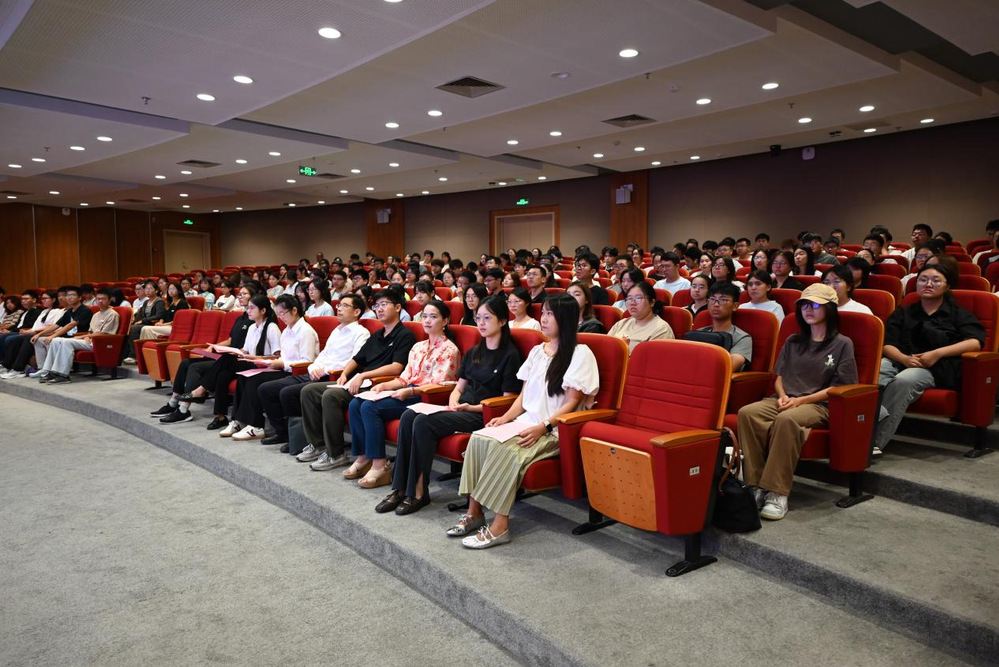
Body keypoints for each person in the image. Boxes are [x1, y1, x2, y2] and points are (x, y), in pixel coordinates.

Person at [448, 293, 599, 549]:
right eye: (544, 313)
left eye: (551, 314)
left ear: (566, 319)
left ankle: (500, 526)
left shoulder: (580, 354)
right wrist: (505, 418)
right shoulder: (538, 351)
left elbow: (572, 403)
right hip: (526, 421)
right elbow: (523, 396)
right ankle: (474, 512)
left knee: (507, 451)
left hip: (553, 429)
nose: (544, 319)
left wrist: (544, 427)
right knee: (480, 438)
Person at [376, 295, 524, 515]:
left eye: (487, 318)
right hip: (460, 409)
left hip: (481, 414)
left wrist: (469, 408)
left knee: (423, 423)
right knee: (408, 416)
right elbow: (458, 387)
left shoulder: (510, 355)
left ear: (502, 321)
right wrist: (454, 400)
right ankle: (400, 489)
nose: (481, 323)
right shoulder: (475, 351)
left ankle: (419, 492)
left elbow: (506, 401)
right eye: (478, 318)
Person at [737, 283, 858, 520]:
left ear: (830, 309)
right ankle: (755, 484)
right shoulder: (793, 340)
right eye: (804, 305)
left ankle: (777, 492)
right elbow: (779, 377)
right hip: (784, 398)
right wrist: (783, 395)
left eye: (815, 305)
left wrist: (801, 401)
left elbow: (840, 387)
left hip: (817, 405)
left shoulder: (843, 343)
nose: (808, 310)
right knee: (747, 413)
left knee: (787, 419)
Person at [345, 300, 460, 489]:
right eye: (425, 316)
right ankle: (363, 456)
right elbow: (405, 377)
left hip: (426, 396)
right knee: (356, 403)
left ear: (445, 321)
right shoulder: (418, 347)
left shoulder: (450, 349)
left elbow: (439, 386)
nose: (427, 320)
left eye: (433, 317)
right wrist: (385, 386)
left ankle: (380, 465)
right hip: (408, 390)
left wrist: (410, 391)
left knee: (369, 408)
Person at [298, 289, 417, 470]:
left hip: (379, 385)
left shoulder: (405, 335)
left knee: (330, 396)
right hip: (361, 382)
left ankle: (336, 454)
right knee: (309, 391)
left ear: (398, 307)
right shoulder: (377, 335)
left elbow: (397, 367)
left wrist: (362, 375)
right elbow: (357, 359)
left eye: (384, 304)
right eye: (377, 306)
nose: (379, 309)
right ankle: (318, 445)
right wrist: (345, 374)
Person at [873, 264, 985, 454]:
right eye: (923, 280)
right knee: (877, 372)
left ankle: (872, 442)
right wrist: (903, 358)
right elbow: (887, 344)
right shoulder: (904, 311)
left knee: (905, 380)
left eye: (936, 280)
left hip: (936, 367)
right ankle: (857, 425)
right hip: (902, 360)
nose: (928, 284)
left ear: (947, 286)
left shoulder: (958, 313)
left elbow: (974, 342)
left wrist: (937, 353)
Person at [259, 294, 371, 451]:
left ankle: (301, 440)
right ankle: (287, 434)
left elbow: (354, 360)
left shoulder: (361, 333)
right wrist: (313, 368)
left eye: (345, 306)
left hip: (334, 376)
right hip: (316, 373)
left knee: (288, 393)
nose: (339, 308)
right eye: (339, 305)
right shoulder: (337, 330)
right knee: (266, 389)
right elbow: (324, 354)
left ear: (357, 312)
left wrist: (323, 370)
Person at [173, 294, 281, 432]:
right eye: (248, 308)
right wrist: (234, 351)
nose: (248, 311)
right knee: (223, 374)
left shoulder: (272, 328)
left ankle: (201, 390)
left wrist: (254, 357)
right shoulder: (252, 327)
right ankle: (221, 417)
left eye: (252, 308)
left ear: (263, 310)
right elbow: (244, 350)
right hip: (250, 361)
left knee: (225, 360)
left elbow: (277, 356)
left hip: (263, 366)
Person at [153, 285, 258, 424]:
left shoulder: (255, 320)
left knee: (194, 367)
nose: (240, 296)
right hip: (226, 356)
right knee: (185, 363)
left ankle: (183, 410)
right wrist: (213, 346)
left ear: (253, 296)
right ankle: (173, 403)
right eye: (240, 294)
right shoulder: (241, 318)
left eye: (244, 294)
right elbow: (230, 340)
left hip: (234, 360)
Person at [223, 294, 320, 440]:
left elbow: (308, 361)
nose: (281, 317)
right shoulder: (287, 330)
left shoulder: (306, 331)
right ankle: (238, 420)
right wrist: (267, 361)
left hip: (297, 373)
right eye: (278, 314)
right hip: (282, 368)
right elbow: (283, 356)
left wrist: (281, 363)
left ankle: (256, 425)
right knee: (244, 376)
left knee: (255, 380)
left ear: (294, 310)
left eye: (283, 313)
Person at [37, 288, 121, 384]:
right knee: (56, 340)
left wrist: (81, 337)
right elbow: (90, 331)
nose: (100, 301)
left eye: (103, 299)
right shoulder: (96, 315)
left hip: (102, 343)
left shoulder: (112, 314)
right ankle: (51, 371)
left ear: (109, 300)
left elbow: (104, 333)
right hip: (90, 341)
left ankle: (63, 375)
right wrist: (87, 336)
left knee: (66, 342)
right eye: (98, 299)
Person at [26, 286, 93, 380]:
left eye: (72, 295)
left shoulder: (84, 310)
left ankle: (57, 372)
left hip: (79, 336)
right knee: (39, 340)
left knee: (53, 340)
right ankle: (43, 369)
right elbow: (56, 325)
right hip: (68, 337)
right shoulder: (69, 311)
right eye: (67, 295)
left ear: (80, 297)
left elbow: (71, 325)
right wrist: (39, 334)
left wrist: (53, 336)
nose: (69, 297)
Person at [1, 291, 63, 378]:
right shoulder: (44, 311)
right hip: (37, 333)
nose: (43, 301)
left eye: (45, 298)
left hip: (47, 334)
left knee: (24, 338)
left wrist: (33, 332)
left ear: (53, 299)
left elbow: (54, 327)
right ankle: (6, 365)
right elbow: (35, 327)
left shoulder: (59, 311)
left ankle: (18, 369)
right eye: (42, 299)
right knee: (15, 338)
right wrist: (27, 331)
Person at [693, 281, 753, 372]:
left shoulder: (742, 338)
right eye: (712, 299)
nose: (716, 304)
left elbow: (728, 366)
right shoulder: (698, 333)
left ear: (735, 306)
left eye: (723, 300)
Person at [607, 281, 674, 354]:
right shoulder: (621, 324)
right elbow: (605, 348)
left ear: (652, 302)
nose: (632, 302)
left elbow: (654, 359)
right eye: (629, 298)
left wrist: (624, 350)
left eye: (638, 298)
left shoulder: (662, 329)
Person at [123, 281, 166, 362]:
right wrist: (134, 322)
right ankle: (126, 354)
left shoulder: (159, 301)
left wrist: (143, 320)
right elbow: (141, 315)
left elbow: (159, 315)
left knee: (134, 329)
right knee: (129, 327)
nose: (147, 291)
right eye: (146, 289)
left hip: (153, 324)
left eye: (150, 289)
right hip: (145, 323)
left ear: (156, 290)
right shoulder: (146, 302)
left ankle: (134, 355)